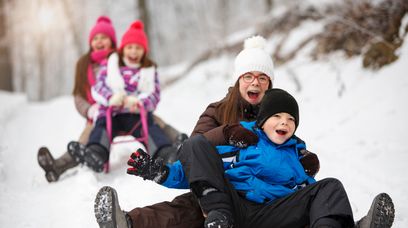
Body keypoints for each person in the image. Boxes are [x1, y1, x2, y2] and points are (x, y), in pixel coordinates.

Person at [93, 36, 320, 228]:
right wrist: (165, 172)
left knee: (309, 202)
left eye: (263, 78)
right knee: (192, 204)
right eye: (248, 76)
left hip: (269, 201)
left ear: (270, 84)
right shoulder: (218, 111)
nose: (256, 83)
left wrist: (304, 159)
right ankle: (128, 222)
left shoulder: (278, 116)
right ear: (239, 79)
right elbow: (195, 155)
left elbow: (290, 157)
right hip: (223, 193)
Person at [177, 88, 395, 228]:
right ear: (262, 120)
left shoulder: (297, 154)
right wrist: (161, 173)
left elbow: (313, 197)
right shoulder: (245, 139)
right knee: (195, 145)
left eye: (291, 119)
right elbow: (197, 165)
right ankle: (219, 218)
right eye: (277, 116)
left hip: (273, 214)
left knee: (329, 188)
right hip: (235, 208)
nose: (285, 122)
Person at [67, 20, 180, 173]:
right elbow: (98, 87)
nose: (133, 52)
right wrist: (110, 98)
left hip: (135, 114)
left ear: (144, 51)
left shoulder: (147, 71)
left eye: (138, 48)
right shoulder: (111, 67)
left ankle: (164, 154)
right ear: (122, 49)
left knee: (151, 128)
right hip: (111, 114)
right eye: (129, 47)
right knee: (100, 129)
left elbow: (155, 94)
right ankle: (96, 154)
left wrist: (141, 102)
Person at [37, 15, 117, 182]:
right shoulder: (83, 64)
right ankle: (57, 166)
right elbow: (79, 96)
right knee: (86, 137)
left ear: (112, 41)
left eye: (104, 37)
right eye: (95, 38)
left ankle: (174, 145)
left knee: (154, 121)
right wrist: (90, 109)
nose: (99, 41)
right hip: (97, 115)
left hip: (121, 110)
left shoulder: (120, 60)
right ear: (90, 42)